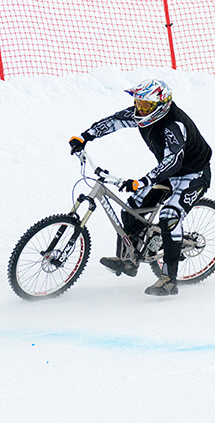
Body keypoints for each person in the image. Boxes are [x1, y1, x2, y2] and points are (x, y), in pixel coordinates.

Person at [69, 79, 212, 296]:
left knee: (169, 216)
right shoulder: (141, 115)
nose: (140, 109)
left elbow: (174, 161)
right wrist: (84, 137)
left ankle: (169, 280)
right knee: (132, 207)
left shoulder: (175, 124)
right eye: (138, 103)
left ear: (161, 105)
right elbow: (114, 121)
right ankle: (129, 260)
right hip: (167, 173)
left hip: (193, 175)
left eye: (145, 106)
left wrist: (144, 181)